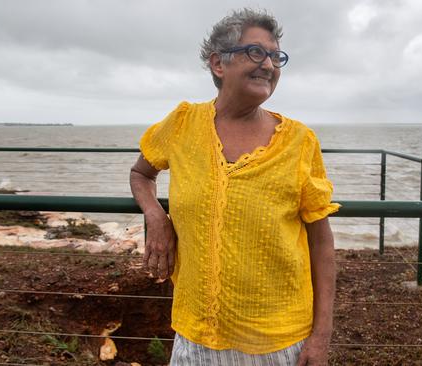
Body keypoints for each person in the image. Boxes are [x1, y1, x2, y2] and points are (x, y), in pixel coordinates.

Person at [129, 8, 340, 366]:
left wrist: (320, 338)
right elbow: (141, 173)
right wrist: (156, 215)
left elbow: (322, 243)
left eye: (276, 57)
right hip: (196, 338)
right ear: (218, 64)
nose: (269, 65)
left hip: (280, 344)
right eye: (256, 52)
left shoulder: (299, 142)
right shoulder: (183, 124)